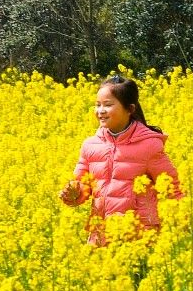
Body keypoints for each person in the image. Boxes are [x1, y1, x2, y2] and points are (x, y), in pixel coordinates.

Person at [61, 75, 182, 245]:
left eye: (108, 105)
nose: (100, 110)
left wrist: (181, 226)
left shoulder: (149, 145)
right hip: (101, 235)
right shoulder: (90, 145)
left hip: (140, 237)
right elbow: (83, 187)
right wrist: (73, 194)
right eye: (97, 105)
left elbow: (173, 189)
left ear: (130, 109)